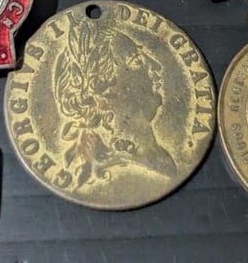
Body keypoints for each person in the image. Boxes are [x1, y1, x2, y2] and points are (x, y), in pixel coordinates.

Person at [54, 22, 177, 190]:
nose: (155, 66)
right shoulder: (129, 171)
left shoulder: (155, 159)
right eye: (136, 60)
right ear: (104, 92)